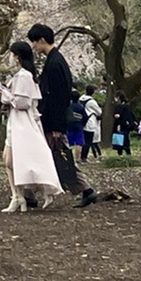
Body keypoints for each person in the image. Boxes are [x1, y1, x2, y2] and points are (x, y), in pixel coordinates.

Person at [28, 26, 96, 206]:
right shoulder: (55, 60)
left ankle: (85, 189)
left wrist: (57, 126)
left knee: (58, 156)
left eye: (34, 41)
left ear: (41, 40)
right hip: (51, 120)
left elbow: (59, 98)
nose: (33, 46)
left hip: (53, 121)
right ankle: (31, 192)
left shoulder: (55, 64)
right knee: (54, 156)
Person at [0, 41, 62, 213]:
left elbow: (22, 102)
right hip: (16, 121)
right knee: (8, 159)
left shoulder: (24, 76)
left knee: (15, 159)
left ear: (17, 56)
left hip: (23, 122)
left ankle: (23, 194)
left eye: (12, 55)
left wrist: (5, 95)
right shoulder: (20, 76)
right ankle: (17, 196)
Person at [80, 88, 103, 163]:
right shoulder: (92, 102)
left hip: (83, 121)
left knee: (84, 140)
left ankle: (82, 156)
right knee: (89, 141)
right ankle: (84, 157)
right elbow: (99, 112)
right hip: (90, 122)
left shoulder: (81, 99)